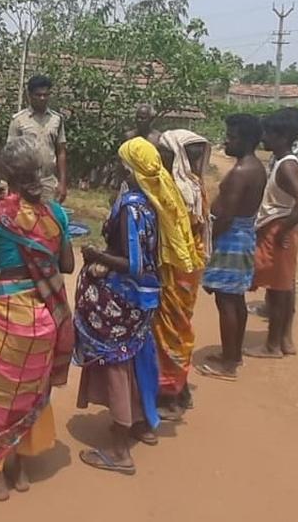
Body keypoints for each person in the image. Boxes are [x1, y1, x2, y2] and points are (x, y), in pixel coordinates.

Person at [74, 137, 200, 475]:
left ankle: (119, 451)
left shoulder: (131, 207)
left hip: (124, 294)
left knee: (117, 361)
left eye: (122, 163)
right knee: (140, 355)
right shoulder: (156, 199)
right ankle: (144, 423)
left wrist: (96, 256)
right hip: (144, 296)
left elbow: (133, 262)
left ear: (130, 168)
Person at [0, 137, 75, 501]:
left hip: (10, 318)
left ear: (5, 172)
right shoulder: (56, 213)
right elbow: (67, 264)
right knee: (28, 394)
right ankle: (19, 468)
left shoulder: (1, 213)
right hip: (46, 318)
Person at [196, 114, 266, 380]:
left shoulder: (240, 173)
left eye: (232, 137)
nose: (226, 141)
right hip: (242, 237)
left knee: (226, 301)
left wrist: (208, 241)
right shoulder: (255, 167)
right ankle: (233, 354)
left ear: (246, 140)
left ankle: (228, 364)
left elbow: (226, 215)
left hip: (231, 240)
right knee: (235, 300)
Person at [245, 110, 298, 358]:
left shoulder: (287, 166)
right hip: (279, 228)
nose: (263, 138)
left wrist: (283, 229)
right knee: (279, 288)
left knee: (277, 290)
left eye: (268, 133)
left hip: (279, 230)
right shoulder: (284, 162)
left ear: (282, 136)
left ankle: (272, 345)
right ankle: (280, 341)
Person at [153, 129, 211, 418]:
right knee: (179, 325)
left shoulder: (175, 190)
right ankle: (181, 386)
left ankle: (170, 396)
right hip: (190, 268)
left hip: (174, 269)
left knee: (169, 330)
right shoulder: (196, 186)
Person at [8, 75, 67, 202]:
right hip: (25, 183)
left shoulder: (56, 119)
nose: (42, 98)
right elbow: (11, 154)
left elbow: (61, 151)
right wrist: (12, 185)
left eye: (45, 95)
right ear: (29, 95)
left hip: (48, 182)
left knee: (49, 214)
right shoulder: (18, 120)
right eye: (38, 95)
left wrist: (62, 183)